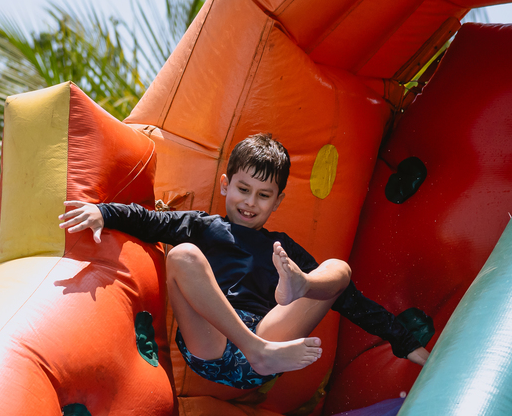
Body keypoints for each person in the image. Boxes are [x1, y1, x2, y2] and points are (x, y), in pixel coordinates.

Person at [57, 133, 429, 390]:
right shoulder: (202, 226)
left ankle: (298, 289)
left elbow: (350, 300)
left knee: (338, 271)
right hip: (213, 343)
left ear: (278, 201)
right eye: (243, 189)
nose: (250, 202)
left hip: (269, 337)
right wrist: (102, 212)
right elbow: (148, 220)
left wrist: (405, 343)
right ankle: (256, 347)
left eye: (264, 195)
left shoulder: (282, 249)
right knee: (183, 254)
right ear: (225, 184)